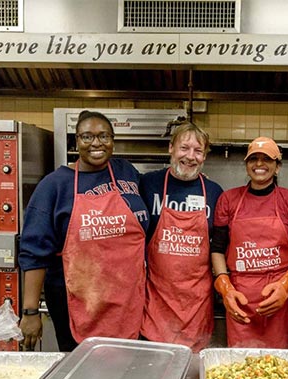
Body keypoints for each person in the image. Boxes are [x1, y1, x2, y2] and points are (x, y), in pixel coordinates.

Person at [18, 110, 149, 352]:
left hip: (127, 300)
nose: (96, 143)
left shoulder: (125, 172)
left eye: (104, 136)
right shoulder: (55, 185)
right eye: (87, 137)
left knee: (126, 373)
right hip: (77, 303)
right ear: (76, 141)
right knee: (84, 376)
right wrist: (30, 312)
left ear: (113, 140)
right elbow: (34, 254)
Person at [210, 137, 288, 348]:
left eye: (267, 159)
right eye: (253, 159)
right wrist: (225, 288)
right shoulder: (228, 200)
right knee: (242, 367)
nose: (259, 164)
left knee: (280, 368)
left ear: (277, 167)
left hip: (279, 300)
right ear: (246, 165)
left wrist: (286, 283)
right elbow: (217, 249)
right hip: (240, 297)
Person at [139, 122, 223, 352]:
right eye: (184, 148)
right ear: (170, 148)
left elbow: (221, 246)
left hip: (196, 307)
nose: (190, 156)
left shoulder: (215, 192)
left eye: (198, 151)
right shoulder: (147, 184)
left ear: (204, 156)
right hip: (155, 306)